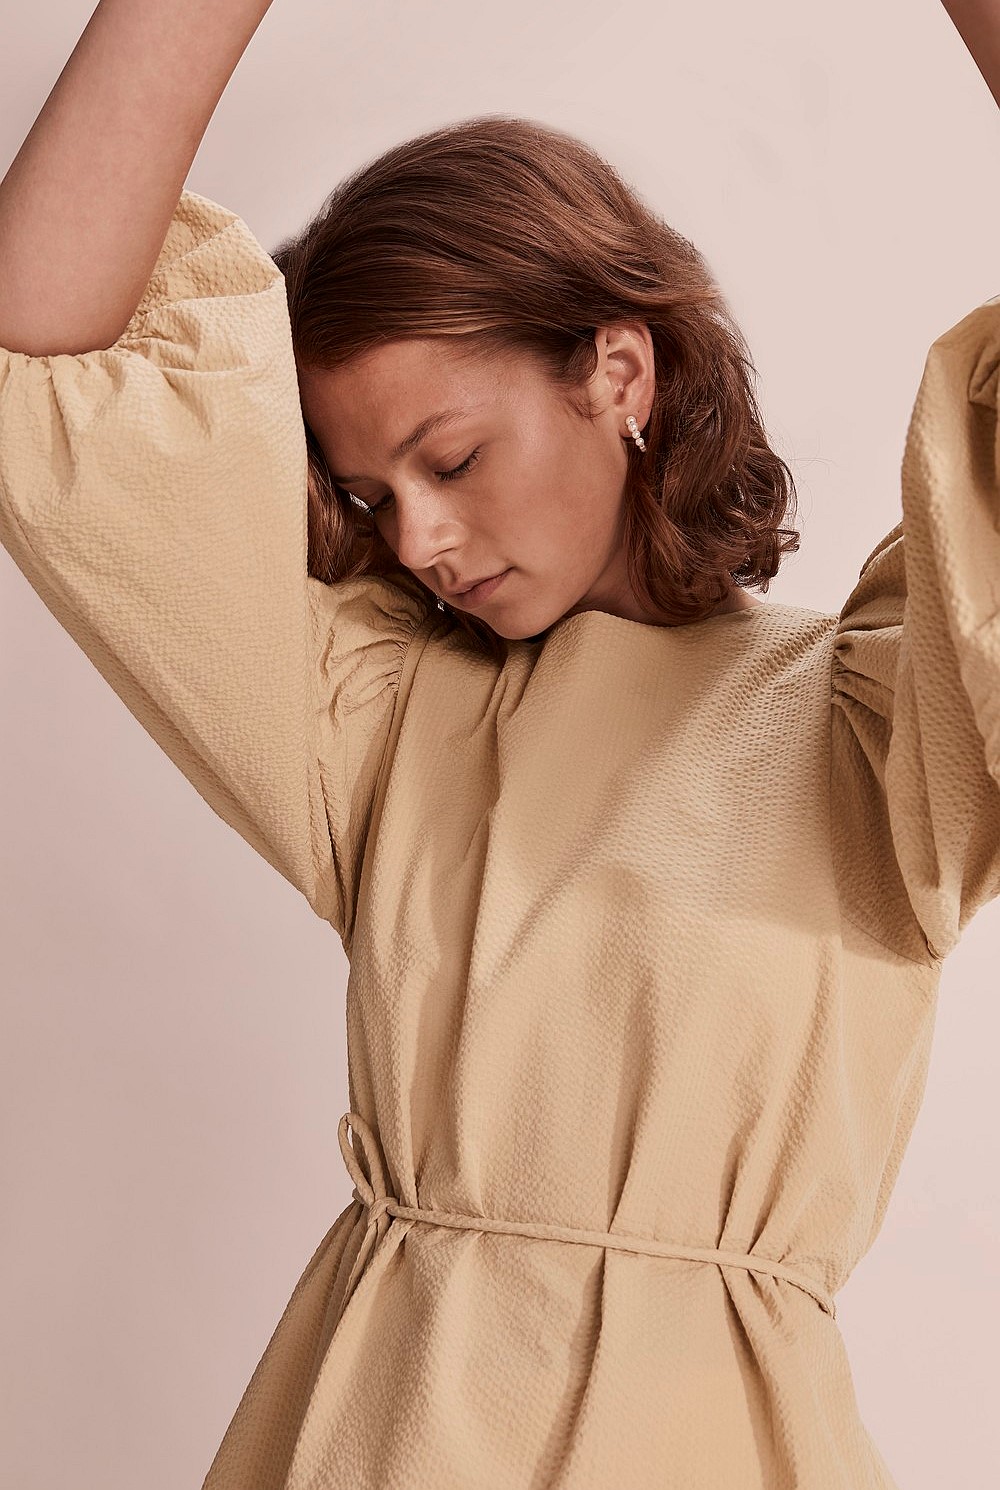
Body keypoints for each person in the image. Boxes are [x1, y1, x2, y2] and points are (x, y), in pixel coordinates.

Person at [1, 2, 998, 1487]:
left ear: (619, 374)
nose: (420, 539)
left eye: (453, 458)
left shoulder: (879, 716)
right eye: (372, 496)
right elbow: (35, 348)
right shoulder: (384, 720)